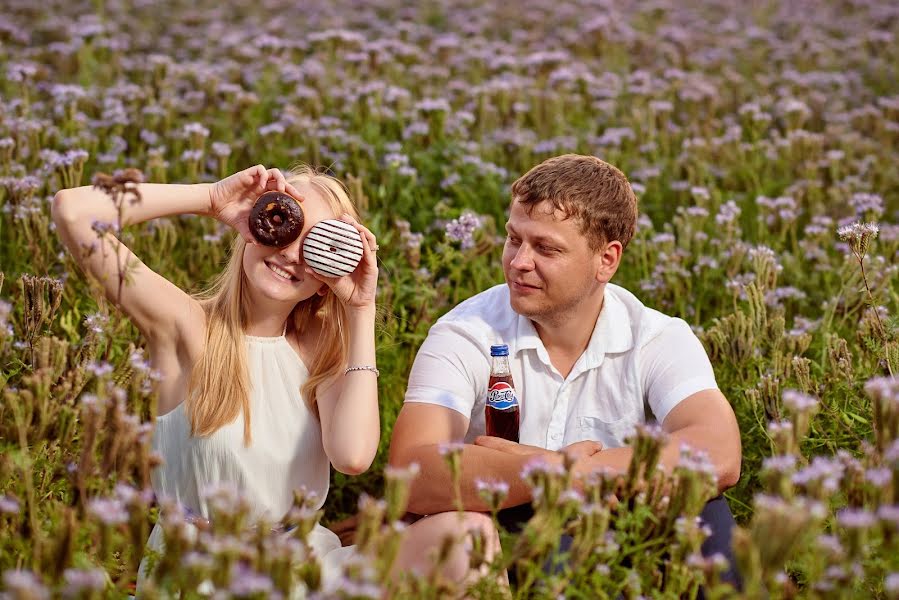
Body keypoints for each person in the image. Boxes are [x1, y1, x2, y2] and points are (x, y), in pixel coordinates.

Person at [388, 154, 743, 585]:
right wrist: (553, 474)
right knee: (554, 543)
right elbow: (410, 470)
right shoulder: (466, 332)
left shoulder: (654, 335)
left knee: (709, 516)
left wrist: (580, 473)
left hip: (618, 520)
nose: (518, 261)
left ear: (606, 260)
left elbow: (719, 450)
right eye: (513, 239)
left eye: (546, 248)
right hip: (503, 526)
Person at [52, 164, 380, 594]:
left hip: (300, 568)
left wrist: (360, 310)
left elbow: (353, 456)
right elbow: (73, 212)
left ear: (327, 279)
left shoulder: (320, 352)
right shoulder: (185, 327)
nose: (290, 253)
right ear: (253, 225)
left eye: (316, 244)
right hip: (201, 574)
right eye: (283, 225)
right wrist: (208, 199)